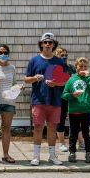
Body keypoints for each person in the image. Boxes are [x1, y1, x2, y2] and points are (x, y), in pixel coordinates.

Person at [24, 33, 64, 166]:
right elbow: (26, 79)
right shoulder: (34, 60)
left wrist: (56, 83)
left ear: (53, 45)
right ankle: (36, 156)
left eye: (50, 42)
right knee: (38, 127)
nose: (47, 44)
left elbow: (65, 81)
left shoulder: (59, 61)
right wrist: (35, 78)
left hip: (55, 100)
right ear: (41, 44)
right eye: (45, 42)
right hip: (39, 99)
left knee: (52, 128)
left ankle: (52, 156)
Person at [62, 57, 90, 163]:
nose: (82, 68)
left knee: (87, 133)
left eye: (85, 66)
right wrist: (72, 95)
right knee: (73, 133)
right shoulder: (71, 79)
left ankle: (88, 153)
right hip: (74, 111)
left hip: (87, 110)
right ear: (76, 67)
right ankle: (72, 152)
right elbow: (64, 94)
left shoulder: (89, 78)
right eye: (80, 66)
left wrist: (88, 78)